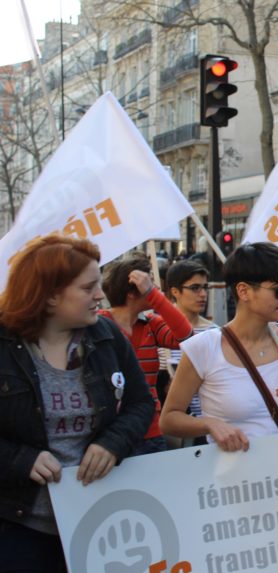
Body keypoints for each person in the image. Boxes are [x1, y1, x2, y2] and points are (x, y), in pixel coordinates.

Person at [0, 236, 154, 570]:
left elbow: (141, 404)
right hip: (19, 524)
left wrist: (113, 444)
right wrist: (19, 459)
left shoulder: (107, 336)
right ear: (51, 295)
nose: (100, 295)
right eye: (88, 288)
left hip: (100, 520)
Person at [160, 243, 278, 451]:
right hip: (226, 475)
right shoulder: (204, 347)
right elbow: (169, 419)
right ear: (244, 291)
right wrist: (209, 424)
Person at [100, 252, 192, 455]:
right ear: (131, 292)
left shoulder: (151, 323)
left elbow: (185, 336)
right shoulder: (99, 326)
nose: (157, 289)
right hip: (109, 435)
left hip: (150, 431)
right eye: (149, 283)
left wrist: (154, 297)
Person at [165, 260, 217, 425]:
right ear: (175, 291)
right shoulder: (157, 329)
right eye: (195, 288)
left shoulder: (214, 332)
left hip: (207, 423)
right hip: (172, 424)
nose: (203, 294)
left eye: (205, 288)